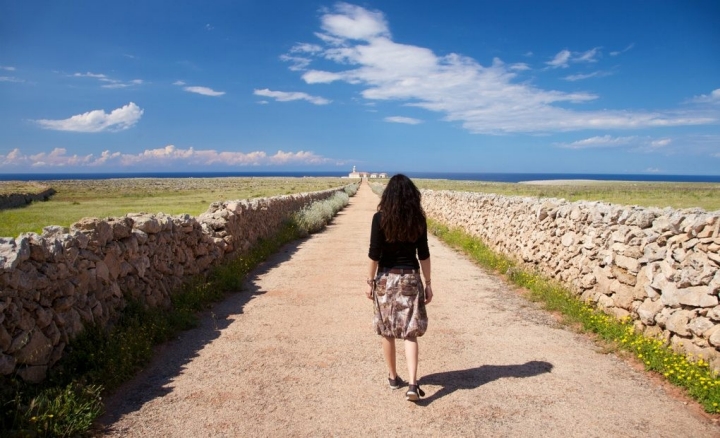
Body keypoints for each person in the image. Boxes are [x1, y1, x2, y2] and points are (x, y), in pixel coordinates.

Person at [366, 174, 433, 402]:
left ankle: (394, 378)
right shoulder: (418, 219)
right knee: (410, 332)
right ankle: (413, 384)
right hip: (410, 279)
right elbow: (423, 255)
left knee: (387, 331)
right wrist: (429, 283)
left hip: (385, 279)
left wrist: (369, 282)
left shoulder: (379, 218)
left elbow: (374, 255)